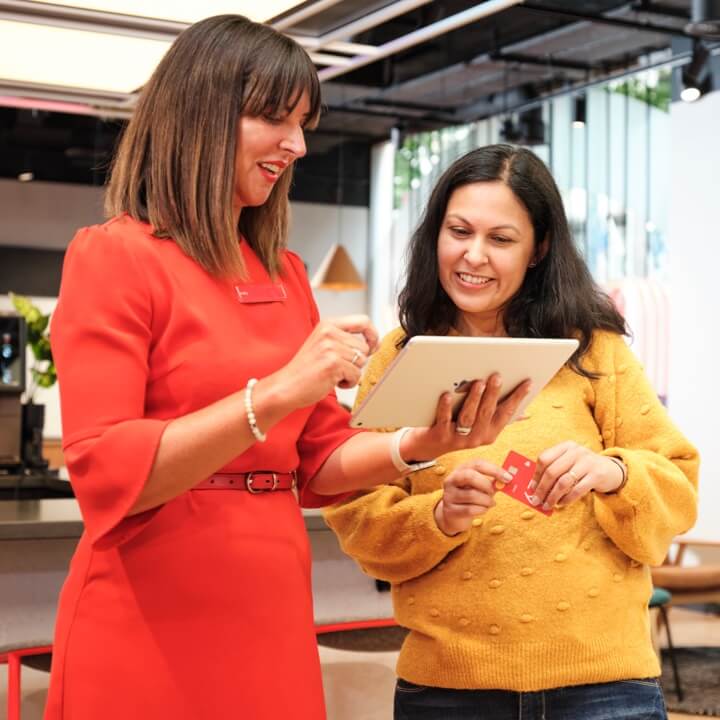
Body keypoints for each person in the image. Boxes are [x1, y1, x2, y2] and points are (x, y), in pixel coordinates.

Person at [44, 17, 533, 720]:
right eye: (275, 118)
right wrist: (273, 393)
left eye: (303, 123)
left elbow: (318, 462)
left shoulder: (285, 273)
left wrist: (421, 444)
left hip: (269, 604)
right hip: (147, 603)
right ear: (200, 114)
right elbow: (104, 470)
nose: (297, 146)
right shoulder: (115, 257)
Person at [324, 144, 699, 720]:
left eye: (501, 239)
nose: (473, 256)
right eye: (459, 231)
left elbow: (677, 484)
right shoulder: (401, 358)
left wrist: (614, 472)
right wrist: (440, 517)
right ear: (435, 235)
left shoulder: (592, 346)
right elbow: (355, 514)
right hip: (448, 690)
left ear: (538, 248)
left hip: (605, 684)